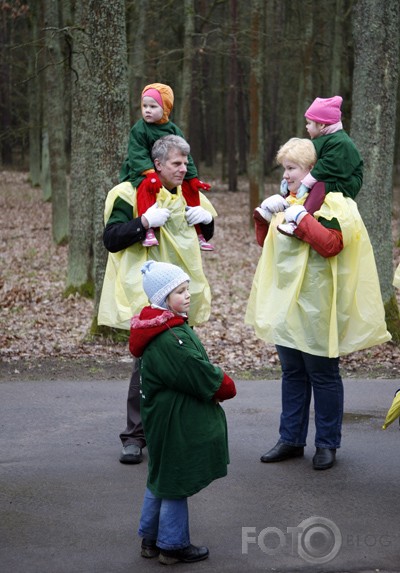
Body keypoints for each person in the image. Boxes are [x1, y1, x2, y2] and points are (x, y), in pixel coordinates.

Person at [246, 137, 391, 470]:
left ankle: (327, 444)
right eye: (285, 168)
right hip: (289, 303)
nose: (287, 174)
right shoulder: (291, 199)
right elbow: (267, 245)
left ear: (311, 169)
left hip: (318, 304)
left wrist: (301, 219)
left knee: (323, 376)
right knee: (293, 374)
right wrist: (263, 217)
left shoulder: (333, 203)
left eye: (292, 168)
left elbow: (330, 244)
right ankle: (291, 439)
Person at [98, 134, 217, 464]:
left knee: (182, 363)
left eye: (185, 163)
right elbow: (111, 238)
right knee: (146, 366)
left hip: (182, 296)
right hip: (146, 295)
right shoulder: (127, 194)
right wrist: (144, 222)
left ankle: (174, 432)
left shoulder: (188, 194)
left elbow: (207, 234)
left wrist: (207, 222)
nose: (183, 169)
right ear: (158, 163)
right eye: (177, 163)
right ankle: (135, 436)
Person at [130, 260, 236, 564]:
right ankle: (172, 545)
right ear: (163, 299)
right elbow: (194, 371)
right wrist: (222, 383)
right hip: (172, 419)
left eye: (187, 288)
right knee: (175, 477)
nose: (187, 295)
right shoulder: (168, 337)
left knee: (161, 475)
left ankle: (150, 539)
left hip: (162, 415)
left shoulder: (166, 327)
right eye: (180, 291)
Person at [120, 82, 214, 251]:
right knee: (145, 188)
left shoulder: (174, 130)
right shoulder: (139, 129)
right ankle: (148, 229)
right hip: (142, 170)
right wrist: (149, 173)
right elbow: (137, 153)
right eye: (145, 106)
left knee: (190, 191)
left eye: (153, 106)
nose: (147, 110)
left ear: (166, 108)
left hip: (164, 174)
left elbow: (185, 156)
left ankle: (198, 232)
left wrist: (193, 179)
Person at [277, 95, 363, 236]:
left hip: (347, 181)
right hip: (334, 176)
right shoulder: (323, 139)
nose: (306, 126)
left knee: (319, 185)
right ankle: (288, 208)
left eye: (309, 123)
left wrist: (306, 183)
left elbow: (327, 166)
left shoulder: (340, 142)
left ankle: (301, 221)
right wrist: (288, 179)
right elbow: (305, 160)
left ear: (322, 125)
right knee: (313, 184)